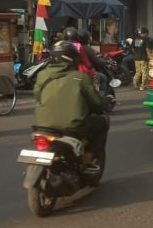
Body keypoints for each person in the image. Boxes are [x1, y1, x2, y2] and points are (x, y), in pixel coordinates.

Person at [34, 41, 109, 171]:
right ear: (71, 59)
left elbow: (38, 96)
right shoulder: (81, 78)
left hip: (43, 126)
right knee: (103, 122)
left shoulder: (42, 75)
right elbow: (97, 104)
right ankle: (88, 156)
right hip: (72, 128)